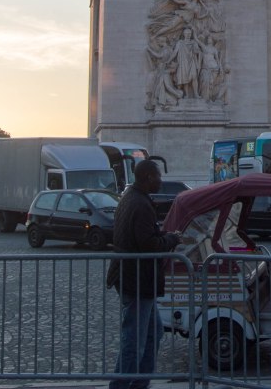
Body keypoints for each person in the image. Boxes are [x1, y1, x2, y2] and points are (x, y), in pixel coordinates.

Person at [107, 159, 180, 389]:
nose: (161, 180)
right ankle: (121, 386)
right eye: (158, 176)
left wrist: (163, 234)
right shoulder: (140, 204)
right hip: (138, 280)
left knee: (153, 332)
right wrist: (171, 239)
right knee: (134, 340)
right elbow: (148, 244)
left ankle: (140, 382)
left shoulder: (131, 198)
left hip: (134, 278)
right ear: (148, 177)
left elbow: (143, 236)